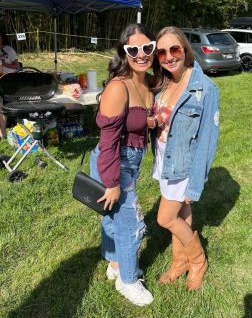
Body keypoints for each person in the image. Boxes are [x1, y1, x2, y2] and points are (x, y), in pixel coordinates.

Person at [89, 23, 157, 307]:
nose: (141, 54)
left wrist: (151, 121)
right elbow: (107, 143)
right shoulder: (119, 88)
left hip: (131, 162)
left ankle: (115, 264)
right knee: (131, 224)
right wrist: (112, 182)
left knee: (114, 218)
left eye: (147, 48)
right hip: (113, 163)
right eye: (133, 49)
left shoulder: (148, 80)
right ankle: (128, 281)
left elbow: (138, 121)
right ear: (123, 52)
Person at [151, 26, 220, 291]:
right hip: (165, 161)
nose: (169, 56)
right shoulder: (164, 83)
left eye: (174, 49)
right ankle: (179, 263)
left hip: (183, 166)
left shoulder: (205, 88)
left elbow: (207, 140)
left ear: (185, 50)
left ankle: (198, 260)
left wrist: (195, 184)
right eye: (162, 52)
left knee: (165, 219)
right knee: (183, 215)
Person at [0, 32, 19, 139]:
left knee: (2, 107)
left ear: (2, 38)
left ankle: (3, 131)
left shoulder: (9, 50)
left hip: (8, 80)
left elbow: (17, 66)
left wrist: (4, 65)